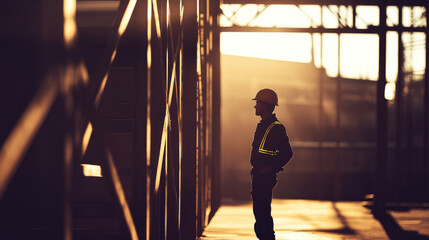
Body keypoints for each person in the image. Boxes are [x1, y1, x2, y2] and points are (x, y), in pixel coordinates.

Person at [250, 88, 293, 240]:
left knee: (263, 217)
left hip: (265, 178)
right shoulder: (262, 125)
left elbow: (287, 153)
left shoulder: (276, 127)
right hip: (258, 176)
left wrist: (271, 167)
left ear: (265, 105)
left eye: (258, 104)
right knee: (260, 216)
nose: (255, 107)